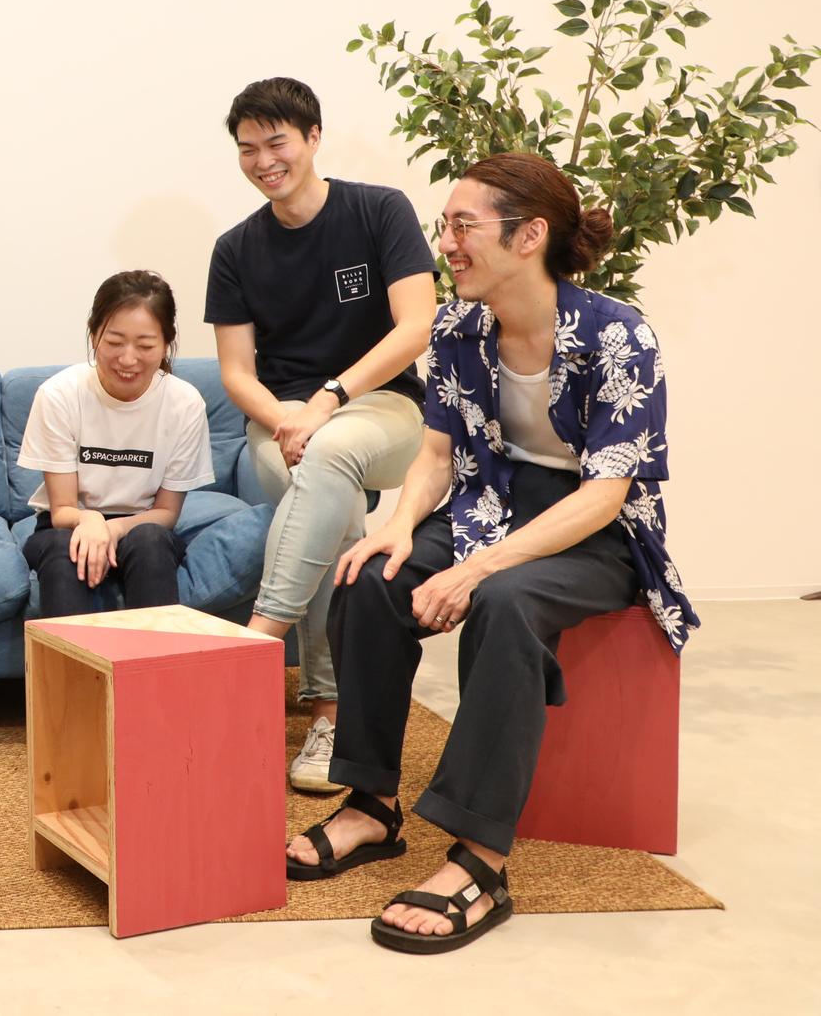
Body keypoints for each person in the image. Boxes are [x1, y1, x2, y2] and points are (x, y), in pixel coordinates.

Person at [284, 151, 693, 955]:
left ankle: (480, 856)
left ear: (529, 235)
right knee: (370, 576)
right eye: (446, 226)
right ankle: (371, 804)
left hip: (595, 533)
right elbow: (437, 453)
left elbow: (604, 495)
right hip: (490, 508)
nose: (446, 243)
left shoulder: (618, 335)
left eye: (462, 226)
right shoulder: (457, 327)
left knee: (505, 603)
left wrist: (475, 569)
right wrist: (401, 523)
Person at [204, 76, 436, 793]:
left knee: (328, 456)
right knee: (333, 507)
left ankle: (255, 642)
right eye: (248, 149)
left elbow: (416, 327)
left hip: (382, 408)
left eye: (276, 142)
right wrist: (288, 417)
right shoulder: (236, 248)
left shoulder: (379, 211)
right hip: (282, 424)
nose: (263, 161)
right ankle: (332, 720)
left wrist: (329, 400)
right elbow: (237, 372)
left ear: (312, 137)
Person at [18, 271, 213, 621]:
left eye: (145, 345)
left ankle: (156, 658)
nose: (127, 359)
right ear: (94, 334)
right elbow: (62, 509)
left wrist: (114, 529)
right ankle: (69, 659)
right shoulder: (59, 394)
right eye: (114, 342)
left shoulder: (184, 403)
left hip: (144, 526)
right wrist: (90, 520)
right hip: (67, 524)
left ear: (166, 344)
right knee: (65, 550)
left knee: (150, 542)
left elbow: (166, 513)